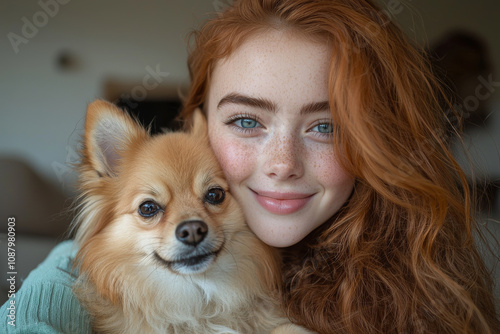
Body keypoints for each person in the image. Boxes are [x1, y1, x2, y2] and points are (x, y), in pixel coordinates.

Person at [1, 0, 498, 333]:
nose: (281, 164)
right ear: (203, 122)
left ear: (378, 140)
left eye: (326, 126)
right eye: (246, 120)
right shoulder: (69, 274)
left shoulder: (427, 286)